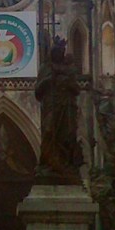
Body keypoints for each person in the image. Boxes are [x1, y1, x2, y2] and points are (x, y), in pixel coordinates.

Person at [35, 37, 83, 182]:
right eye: (57, 52)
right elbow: (37, 91)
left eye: (62, 52)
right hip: (51, 106)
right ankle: (48, 164)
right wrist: (49, 80)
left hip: (66, 107)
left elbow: (76, 89)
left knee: (67, 135)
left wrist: (67, 82)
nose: (60, 54)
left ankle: (65, 166)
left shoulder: (69, 70)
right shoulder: (46, 68)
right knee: (49, 132)